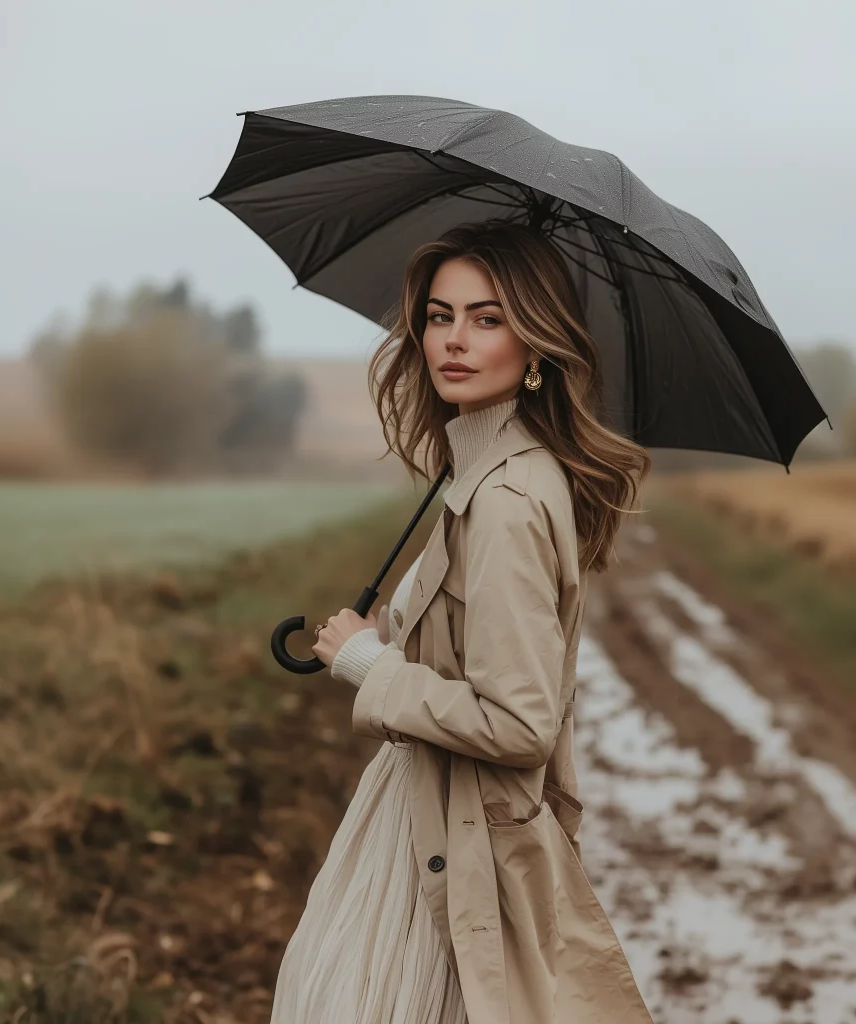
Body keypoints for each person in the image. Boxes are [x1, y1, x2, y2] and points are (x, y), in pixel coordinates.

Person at [269, 219, 655, 1024]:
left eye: (489, 318)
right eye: (441, 315)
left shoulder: (507, 500)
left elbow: (520, 723)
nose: (455, 339)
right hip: (424, 814)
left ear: (538, 343)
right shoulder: (482, 470)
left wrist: (370, 665)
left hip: (460, 831)